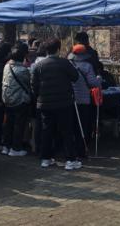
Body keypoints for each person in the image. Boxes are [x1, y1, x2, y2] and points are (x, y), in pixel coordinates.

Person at [31, 38, 81, 170]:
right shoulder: (64, 63)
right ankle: (70, 160)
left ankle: (45, 158)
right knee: (66, 131)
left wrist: (40, 96)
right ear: (58, 49)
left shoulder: (39, 65)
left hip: (45, 103)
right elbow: (75, 77)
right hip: (64, 103)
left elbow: (34, 85)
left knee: (47, 131)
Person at [68, 44, 101, 159]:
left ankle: (71, 150)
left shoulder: (68, 64)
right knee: (83, 126)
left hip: (70, 99)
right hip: (84, 100)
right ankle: (81, 151)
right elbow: (92, 83)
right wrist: (99, 79)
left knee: (72, 126)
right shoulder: (87, 66)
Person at [2, 42, 32, 156]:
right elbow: (29, 84)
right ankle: (15, 148)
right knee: (18, 125)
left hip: (7, 99)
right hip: (20, 100)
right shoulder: (23, 70)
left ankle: (6, 146)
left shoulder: (6, 66)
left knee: (8, 124)